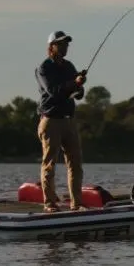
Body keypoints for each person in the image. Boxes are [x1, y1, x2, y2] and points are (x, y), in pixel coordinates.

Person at [35, 30, 87, 212]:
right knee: (49, 164)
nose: (65, 47)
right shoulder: (44, 68)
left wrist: (79, 88)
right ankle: (49, 203)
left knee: (75, 164)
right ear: (51, 47)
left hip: (69, 121)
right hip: (51, 121)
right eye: (61, 44)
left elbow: (75, 94)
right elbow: (54, 92)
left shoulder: (69, 66)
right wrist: (74, 83)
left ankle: (77, 204)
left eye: (66, 44)